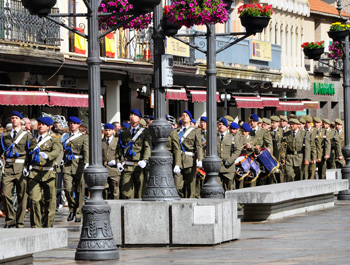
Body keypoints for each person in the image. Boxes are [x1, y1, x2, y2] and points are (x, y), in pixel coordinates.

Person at [0, 111, 36, 228]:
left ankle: (20, 222)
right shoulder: (5, 135)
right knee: (5, 194)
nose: (14, 120)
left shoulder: (27, 135)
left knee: (22, 196)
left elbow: (32, 151)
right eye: (12, 118)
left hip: (21, 168)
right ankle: (10, 219)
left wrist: (30, 165)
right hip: (9, 168)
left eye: (16, 118)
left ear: (21, 120)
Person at [27, 117, 61, 228]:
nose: (40, 126)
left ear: (49, 126)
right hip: (34, 173)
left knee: (49, 201)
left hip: (48, 173)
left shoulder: (54, 138)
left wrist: (48, 156)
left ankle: (47, 223)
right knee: (34, 199)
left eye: (43, 124)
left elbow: (57, 150)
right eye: (39, 124)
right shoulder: (33, 139)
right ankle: (36, 226)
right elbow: (28, 154)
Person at [117, 109, 151, 199]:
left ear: (139, 118)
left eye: (135, 115)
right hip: (128, 165)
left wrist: (145, 159)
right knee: (126, 191)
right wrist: (118, 161)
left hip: (139, 165)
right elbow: (119, 149)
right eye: (131, 114)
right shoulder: (124, 132)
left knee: (140, 191)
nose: (132, 116)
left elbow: (147, 147)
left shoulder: (145, 132)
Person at [62, 116, 89, 222]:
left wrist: (86, 162)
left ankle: (78, 213)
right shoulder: (66, 136)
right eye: (71, 123)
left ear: (78, 125)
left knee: (80, 190)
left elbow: (86, 150)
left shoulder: (84, 137)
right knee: (67, 189)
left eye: (74, 123)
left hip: (79, 165)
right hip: (68, 164)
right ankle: (72, 208)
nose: (72, 125)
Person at [175, 110, 203, 198]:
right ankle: (181, 201)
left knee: (190, 186)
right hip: (178, 160)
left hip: (189, 161)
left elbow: (198, 146)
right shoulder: (176, 131)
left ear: (190, 119)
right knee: (178, 185)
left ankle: (190, 203)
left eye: (186, 115)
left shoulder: (195, 131)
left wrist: (200, 159)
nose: (184, 116)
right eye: (183, 115)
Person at [217, 117, 241, 191]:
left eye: (223, 125)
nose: (221, 126)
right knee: (217, 190)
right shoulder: (214, 137)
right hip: (217, 167)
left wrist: (230, 160)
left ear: (227, 127)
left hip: (228, 168)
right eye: (220, 124)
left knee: (228, 190)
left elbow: (237, 150)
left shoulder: (232, 137)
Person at [102, 123, 121, 199]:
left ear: (113, 131)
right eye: (106, 130)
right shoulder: (101, 142)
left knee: (115, 190)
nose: (108, 132)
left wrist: (117, 162)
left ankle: (115, 207)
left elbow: (120, 154)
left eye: (110, 130)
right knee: (104, 189)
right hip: (104, 168)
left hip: (114, 169)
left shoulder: (117, 141)